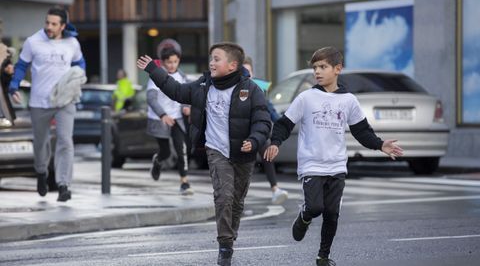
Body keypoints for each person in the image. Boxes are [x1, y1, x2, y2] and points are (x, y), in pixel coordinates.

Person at [264, 47, 403, 266]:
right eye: (315, 68)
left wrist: (380, 144)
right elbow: (284, 123)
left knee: (332, 214)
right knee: (315, 207)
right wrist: (275, 142)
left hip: (337, 165)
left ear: (337, 69)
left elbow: (362, 131)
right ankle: (304, 216)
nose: (317, 72)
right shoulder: (306, 97)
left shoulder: (348, 100)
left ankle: (323, 257)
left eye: (323, 67)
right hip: (312, 164)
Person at [137, 42, 271, 266]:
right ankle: (225, 244)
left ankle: (230, 236)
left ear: (232, 65)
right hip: (216, 149)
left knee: (237, 201)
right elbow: (177, 91)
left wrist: (254, 140)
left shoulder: (251, 89)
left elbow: (263, 120)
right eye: (211, 58)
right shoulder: (203, 85)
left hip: (243, 153)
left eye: (217, 59)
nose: (212, 62)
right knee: (223, 196)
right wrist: (154, 68)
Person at [8, 6, 86, 202]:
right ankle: (41, 172)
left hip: (65, 100)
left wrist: (78, 79)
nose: (48, 27)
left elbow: (79, 64)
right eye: (47, 22)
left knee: (65, 141)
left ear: (63, 26)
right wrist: (14, 86)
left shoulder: (72, 43)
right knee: (40, 143)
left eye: (53, 24)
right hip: (39, 101)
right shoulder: (33, 42)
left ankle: (63, 184)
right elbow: (21, 66)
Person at [146, 47, 193, 195]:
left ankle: (184, 182)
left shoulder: (182, 77)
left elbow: (187, 95)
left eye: (175, 61)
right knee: (165, 152)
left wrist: (187, 107)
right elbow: (151, 99)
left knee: (182, 149)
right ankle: (157, 161)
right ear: (163, 62)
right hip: (160, 118)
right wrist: (163, 115)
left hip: (177, 118)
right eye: (169, 62)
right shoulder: (156, 76)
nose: (172, 65)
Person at [243, 56, 288, 205]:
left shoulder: (258, 87)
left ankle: (275, 189)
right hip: (242, 134)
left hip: (259, 131)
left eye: (248, 71)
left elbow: (268, 107)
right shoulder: (236, 88)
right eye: (243, 71)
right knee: (244, 167)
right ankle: (239, 197)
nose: (246, 74)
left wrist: (281, 122)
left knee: (267, 156)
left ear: (253, 72)